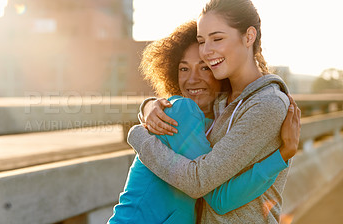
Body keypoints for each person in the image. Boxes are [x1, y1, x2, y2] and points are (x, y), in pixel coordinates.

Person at [109, 19, 300, 224]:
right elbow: (218, 198)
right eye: (184, 69)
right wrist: (281, 156)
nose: (192, 79)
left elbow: (222, 198)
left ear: (220, 72)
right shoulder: (181, 112)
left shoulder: (215, 123)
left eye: (205, 68)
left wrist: (282, 156)